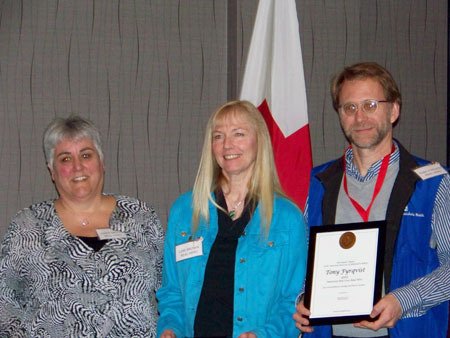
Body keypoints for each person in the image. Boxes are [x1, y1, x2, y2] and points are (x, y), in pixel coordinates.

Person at [293, 62, 450, 338]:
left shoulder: (432, 182)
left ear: (394, 110)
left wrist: (404, 300)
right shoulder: (319, 182)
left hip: (405, 331)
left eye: (370, 105)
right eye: (349, 108)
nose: (360, 117)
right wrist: (301, 297)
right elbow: (300, 260)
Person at [0, 116, 164, 337]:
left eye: (86, 155)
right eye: (65, 159)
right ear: (52, 170)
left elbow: (171, 291)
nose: (78, 166)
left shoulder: (140, 217)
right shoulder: (28, 226)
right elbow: (5, 303)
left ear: (102, 162)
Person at [156, 100, 307, 338]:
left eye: (238, 134)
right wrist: (170, 329)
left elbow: (293, 299)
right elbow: (172, 291)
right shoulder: (185, 211)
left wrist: (264, 334)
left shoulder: (288, 218)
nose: (227, 144)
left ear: (259, 142)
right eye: (218, 136)